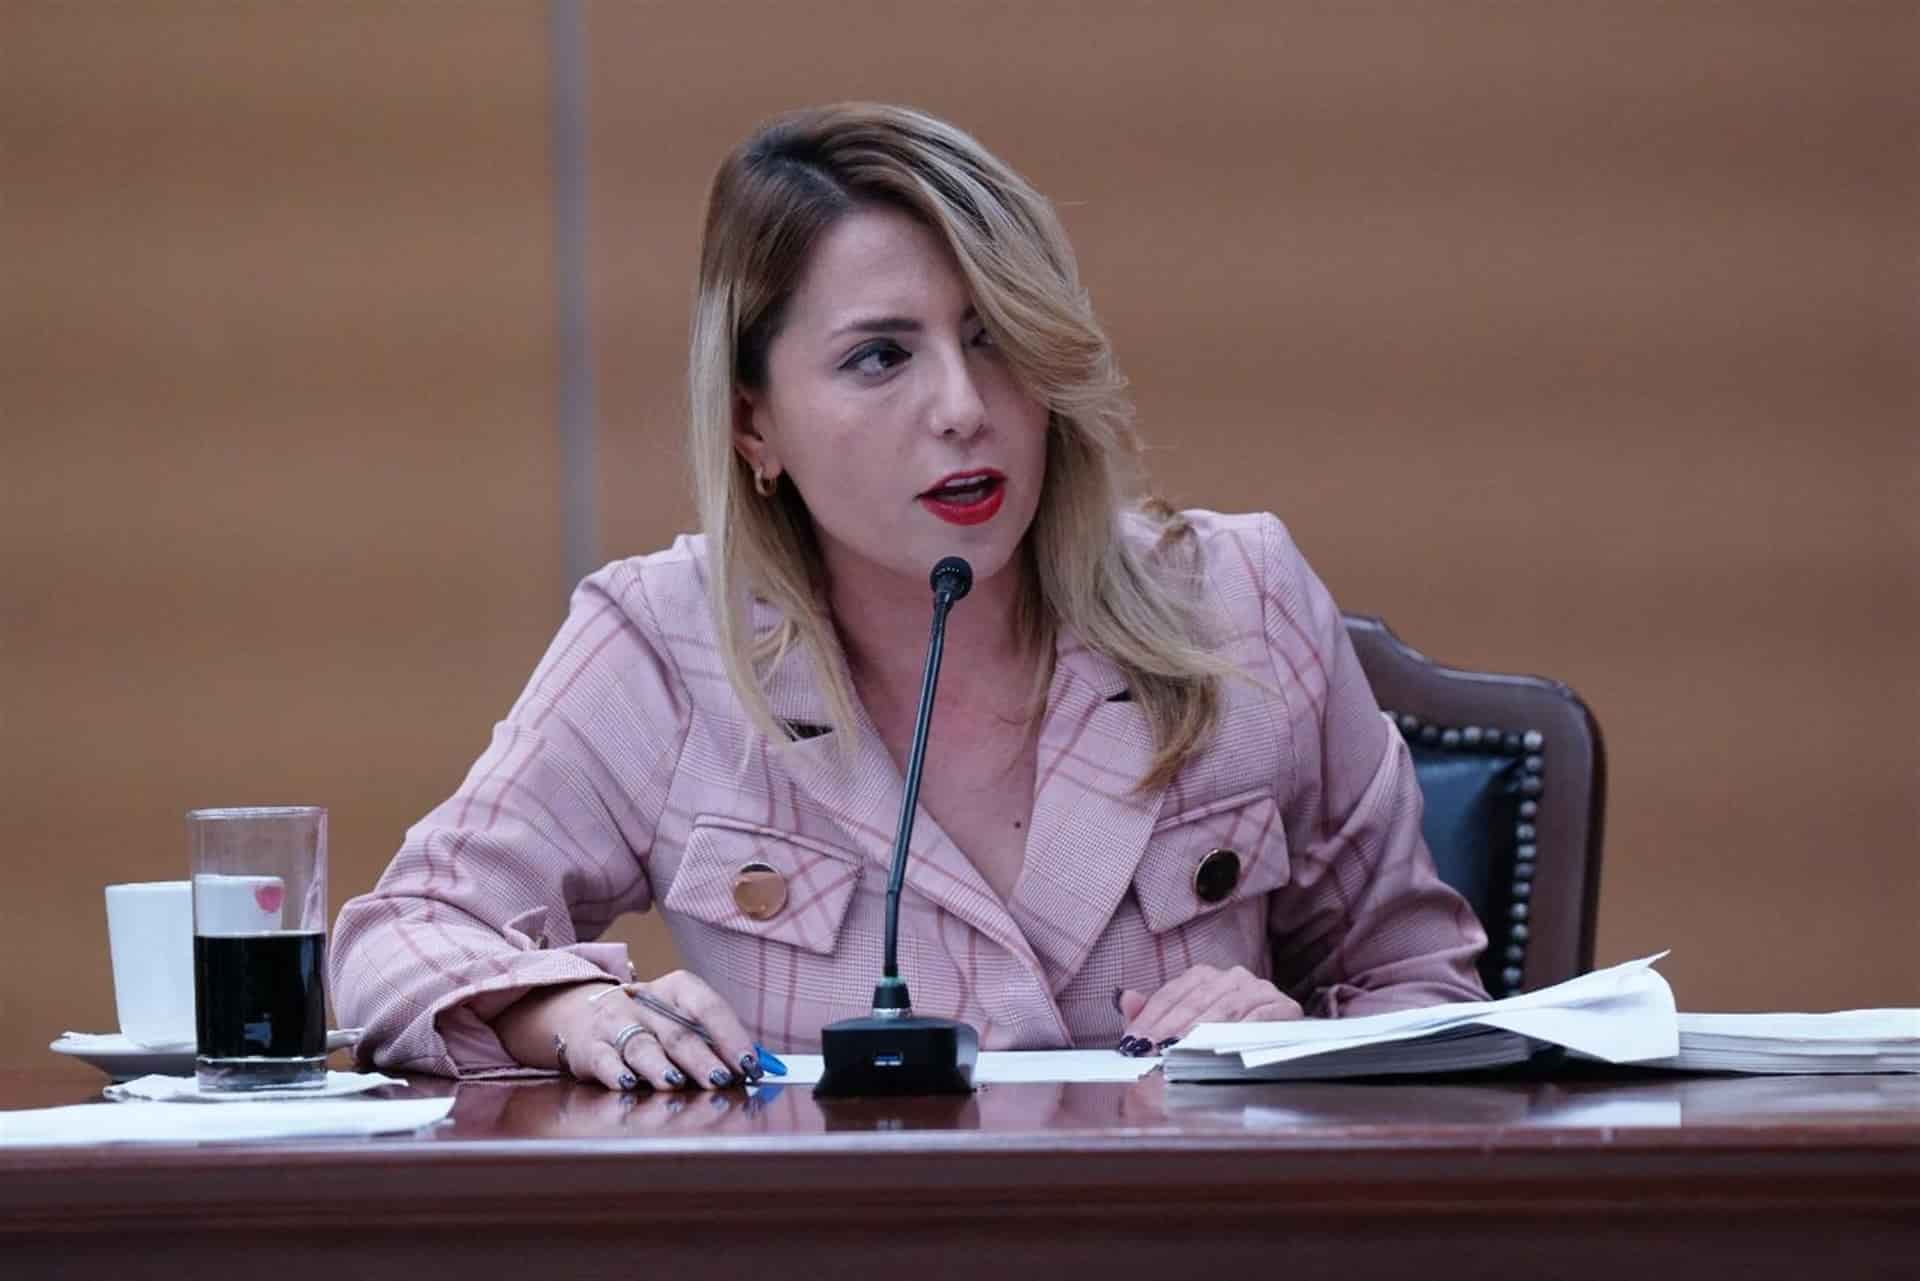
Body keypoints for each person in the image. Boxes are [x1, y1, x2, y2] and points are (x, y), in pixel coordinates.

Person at [331, 102, 1488, 1092]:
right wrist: (572, 1012)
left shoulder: (1238, 602)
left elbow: (1427, 991)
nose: (963, 408)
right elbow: (402, 938)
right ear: (754, 424)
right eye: (880, 357)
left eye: (993, 339)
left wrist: (1292, 1042)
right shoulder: (668, 644)